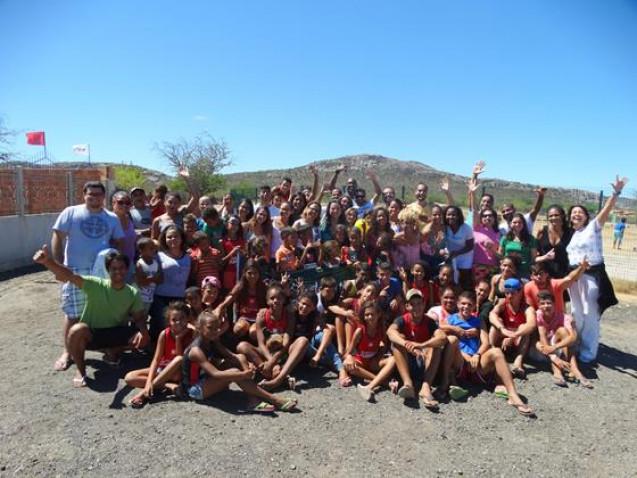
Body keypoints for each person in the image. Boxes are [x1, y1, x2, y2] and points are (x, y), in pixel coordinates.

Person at [33, 246, 149, 387]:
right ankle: (81, 371)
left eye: (122, 268)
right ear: (108, 270)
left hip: (114, 332)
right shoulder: (95, 284)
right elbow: (69, 275)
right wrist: (48, 261)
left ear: (127, 269)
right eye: (114, 268)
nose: (118, 271)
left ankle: (112, 351)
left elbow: (139, 317)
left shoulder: (132, 292)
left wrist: (143, 332)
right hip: (92, 335)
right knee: (77, 329)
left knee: (143, 337)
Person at [50, 181, 124, 372]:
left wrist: (116, 269)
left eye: (98, 195)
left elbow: (118, 242)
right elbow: (58, 237)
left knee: (102, 312)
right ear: (84, 195)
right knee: (73, 313)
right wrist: (59, 267)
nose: (94, 198)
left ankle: (104, 347)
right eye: (91, 194)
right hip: (75, 270)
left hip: (101, 272)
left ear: (104, 196)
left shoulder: (112, 218)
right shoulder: (71, 212)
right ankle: (68, 352)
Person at [439, 291, 534, 416]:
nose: (466, 307)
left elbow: (486, 342)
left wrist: (477, 355)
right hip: (459, 361)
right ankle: (445, 382)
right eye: (463, 304)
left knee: (496, 351)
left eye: (469, 304)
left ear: (474, 306)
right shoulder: (450, 319)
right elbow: (440, 329)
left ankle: (513, 395)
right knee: (452, 340)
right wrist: (455, 330)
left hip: (475, 360)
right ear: (457, 304)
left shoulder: (478, 321)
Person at [182, 310, 297, 411]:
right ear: (200, 328)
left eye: (216, 328)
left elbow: (232, 356)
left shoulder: (212, 340)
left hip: (206, 379)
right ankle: (274, 400)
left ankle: (252, 398)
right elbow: (215, 374)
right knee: (235, 373)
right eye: (210, 328)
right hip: (195, 389)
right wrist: (242, 374)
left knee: (240, 358)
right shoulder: (196, 350)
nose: (214, 331)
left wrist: (247, 367)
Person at [566, 175, 626, 364]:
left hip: (591, 276)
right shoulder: (573, 234)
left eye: (580, 212)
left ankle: (589, 352)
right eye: (573, 212)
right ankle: (575, 345)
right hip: (574, 276)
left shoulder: (594, 227)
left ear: (586, 216)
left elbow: (607, 209)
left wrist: (615, 193)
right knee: (576, 312)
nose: (576, 214)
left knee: (590, 313)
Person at [125, 301, 194, 408]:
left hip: (178, 373)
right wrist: (148, 382)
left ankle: (143, 394)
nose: (178, 322)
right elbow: (156, 360)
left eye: (182, 318)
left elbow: (181, 358)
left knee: (179, 359)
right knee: (130, 378)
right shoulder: (164, 334)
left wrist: (178, 339)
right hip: (163, 369)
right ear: (169, 321)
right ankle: (167, 385)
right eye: (174, 320)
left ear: (187, 318)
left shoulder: (191, 334)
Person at [387, 289, 447, 409]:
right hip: (408, 363)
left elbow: (442, 337)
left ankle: (425, 387)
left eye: (419, 303)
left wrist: (421, 345)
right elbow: (390, 332)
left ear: (424, 305)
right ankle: (408, 384)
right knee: (397, 342)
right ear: (407, 306)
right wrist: (407, 345)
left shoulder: (429, 322)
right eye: (412, 304)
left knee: (436, 346)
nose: (416, 307)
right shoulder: (402, 319)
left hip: (425, 363)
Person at [535, 291, 592, 388]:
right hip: (541, 347)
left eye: (549, 303)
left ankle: (574, 370)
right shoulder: (538, 315)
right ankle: (558, 372)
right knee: (541, 344)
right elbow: (542, 337)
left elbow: (573, 337)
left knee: (563, 331)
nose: (546, 306)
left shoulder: (563, 317)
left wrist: (555, 347)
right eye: (542, 304)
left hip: (556, 345)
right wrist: (554, 356)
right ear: (538, 305)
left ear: (554, 304)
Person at [343, 301, 397, 402]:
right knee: (349, 366)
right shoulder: (360, 331)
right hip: (360, 361)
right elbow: (348, 352)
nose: (370, 317)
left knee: (393, 359)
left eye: (372, 314)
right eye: (367, 315)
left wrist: (380, 354)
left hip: (373, 361)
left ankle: (370, 386)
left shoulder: (381, 329)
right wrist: (349, 357)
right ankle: (383, 382)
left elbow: (385, 344)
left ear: (379, 315)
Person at [149, 225, 191, 343]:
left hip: (179, 298)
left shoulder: (188, 257)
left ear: (181, 238)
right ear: (164, 239)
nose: (173, 239)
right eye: (169, 237)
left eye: (176, 236)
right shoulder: (158, 256)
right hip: (161, 297)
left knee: (178, 326)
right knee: (163, 325)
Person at [489, 278, 537, 378]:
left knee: (524, 327)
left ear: (520, 292)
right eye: (507, 293)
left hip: (518, 341)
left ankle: (518, 362)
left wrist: (514, 336)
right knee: (496, 324)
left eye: (513, 293)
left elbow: (531, 324)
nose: (509, 296)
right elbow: (492, 314)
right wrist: (502, 329)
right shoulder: (503, 303)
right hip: (503, 341)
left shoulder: (527, 308)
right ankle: (492, 352)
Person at [535, 205, 573, 278]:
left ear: (562, 216)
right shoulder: (542, 232)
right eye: (550, 216)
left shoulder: (570, 233)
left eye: (556, 215)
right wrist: (545, 257)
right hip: (545, 275)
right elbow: (536, 253)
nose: (553, 218)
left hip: (565, 275)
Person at [442, 205, 474, 290]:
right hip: (451, 256)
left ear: (459, 216)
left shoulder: (466, 228)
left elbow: (470, 246)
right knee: (450, 277)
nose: (451, 217)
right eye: (448, 215)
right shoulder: (444, 227)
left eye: (453, 215)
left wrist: (457, 253)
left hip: (465, 256)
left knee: (464, 279)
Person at [498, 213, 538, 279]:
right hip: (507, 272)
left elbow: (533, 258)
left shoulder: (530, 239)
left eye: (520, 222)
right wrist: (491, 249)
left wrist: (545, 257)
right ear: (510, 224)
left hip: (524, 273)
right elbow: (500, 255)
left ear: (524, 224)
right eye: (514, 222)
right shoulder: (505, 238)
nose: (517, 224)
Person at [134, 237, 163, 315]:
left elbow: (161, 279)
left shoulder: (156, 263)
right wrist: (153, 278)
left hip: (149, 298)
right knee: (137, 318)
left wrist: (149, 279)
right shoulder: (139, 264)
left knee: (144, 316)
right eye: (151, 248)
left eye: (154, 248)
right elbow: (141, 282)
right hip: (139, 298)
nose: (154, 250)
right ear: (141, 251)